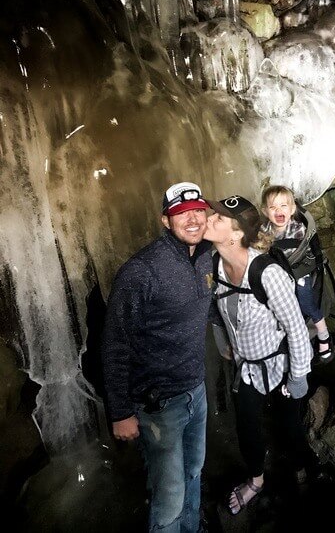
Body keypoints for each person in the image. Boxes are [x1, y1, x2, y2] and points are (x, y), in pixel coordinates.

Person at [101, 181, 213, 533]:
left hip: (196, 389)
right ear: (166, 220)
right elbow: (115, 343)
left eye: (197, 211)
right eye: (182, 214)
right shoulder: (142, 271)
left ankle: (192, 529)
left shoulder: (207, 255)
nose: (193, 219)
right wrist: (121, 413)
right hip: (159, 405)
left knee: (194, 471)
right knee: (169, 495)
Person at [204, 195, 315, 516]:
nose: (210, 219)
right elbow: (216, 308)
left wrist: (298, 378)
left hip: (281, 364)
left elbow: (296, 328)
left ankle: (303, 468)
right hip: (247, 367)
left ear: (237, 233)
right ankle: (256, 480)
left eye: (219, 218)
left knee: (289, 425)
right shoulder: (215, 264)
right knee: (247, 426)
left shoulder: (267, 274)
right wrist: (222, 337)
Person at [261, 185, 333, 361]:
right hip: (277, 278)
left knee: (305, 303)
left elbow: (293, 249)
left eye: (284, 206)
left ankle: (323, 334)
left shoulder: (297, 228)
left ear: (292, 209)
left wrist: (272, 249)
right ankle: (296, 345)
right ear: (265, 211)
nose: (279, 211)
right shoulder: (264, 230)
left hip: (298, 272)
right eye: (273, 207)